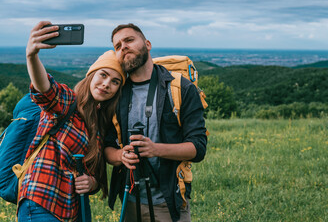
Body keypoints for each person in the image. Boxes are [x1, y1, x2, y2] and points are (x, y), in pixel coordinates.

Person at [18, 21, 126, 222]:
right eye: (103, 75)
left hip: (73, 210)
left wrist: (91, 183)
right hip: (42, 199)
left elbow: (95, 173)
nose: (106, 84)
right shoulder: (67, 101)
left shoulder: (102, 124)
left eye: (115, 82)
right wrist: (31, 56)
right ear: (91, 75)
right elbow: (44, 88)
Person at [104, 23, 207, 222]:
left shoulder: (180, 88)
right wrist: (120, 155)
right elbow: (107, 146)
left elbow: (198, 148)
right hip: (130, 199)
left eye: (129, 40)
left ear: (148, 44)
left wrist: (155, 149)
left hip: (167, 201)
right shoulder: (117, 94)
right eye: (117, 46)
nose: (123, 47)